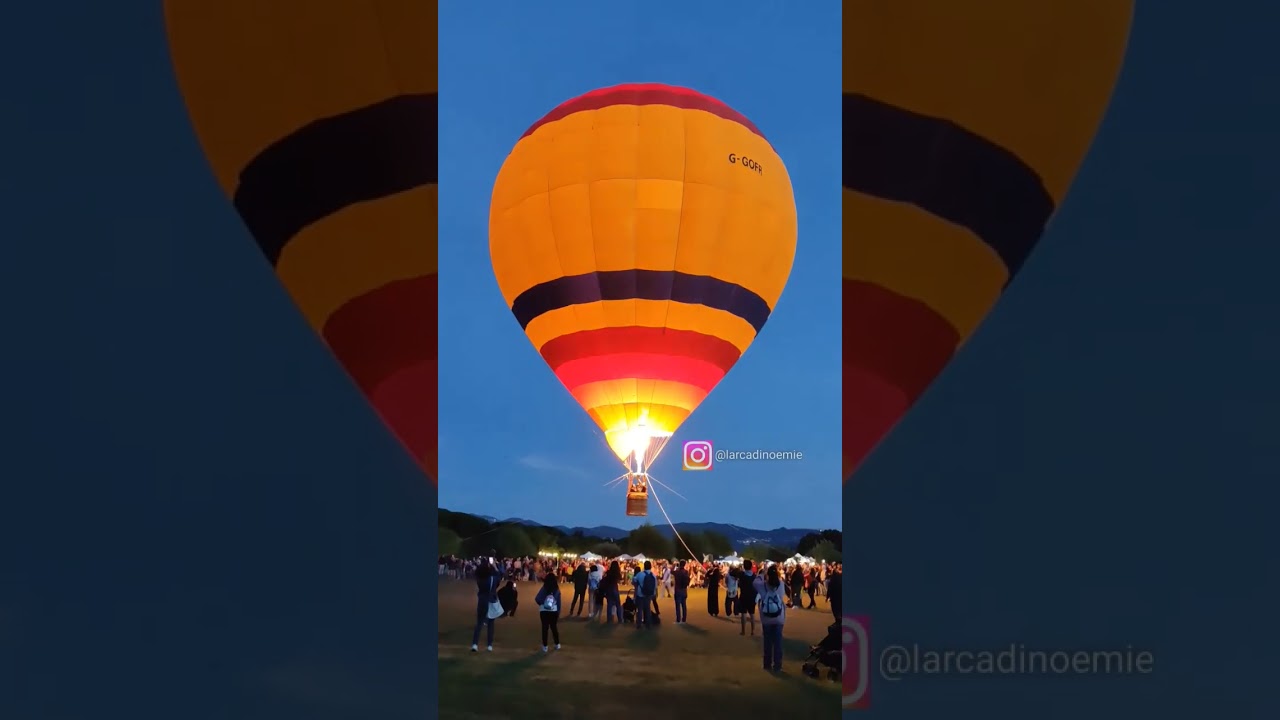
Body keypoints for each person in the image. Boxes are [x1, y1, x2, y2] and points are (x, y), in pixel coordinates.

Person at [754, 565, 788, 672]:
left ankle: (767, 664)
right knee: (778, 642)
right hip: (779, 617)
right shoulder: (781, 584)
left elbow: (754, 582)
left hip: (766, 618)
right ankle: (777, 665)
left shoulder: (762, 586)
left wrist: (762, 574)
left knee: (767, 642)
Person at [470, 558, 500, 652]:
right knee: (490, 624)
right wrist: (495, 567)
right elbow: (499, 576)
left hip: (482, 601)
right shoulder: (493, 579)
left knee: (479, 623)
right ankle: (489, 645)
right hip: (491, 601)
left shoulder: (480, 579)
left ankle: (475, 644)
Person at [534, 572, 563, 652]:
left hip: (544, 611)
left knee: (544, 628)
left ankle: (545, 646)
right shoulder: (556, 590)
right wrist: (558, 612)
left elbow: (537, 599)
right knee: (554, 628)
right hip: (553, 611)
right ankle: (557, 644)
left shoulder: (544, 588)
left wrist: (542, 603)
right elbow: (559, 603)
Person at [731, 560, 758, 637]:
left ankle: (743, 631)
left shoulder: (742, 574)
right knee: (752, 614)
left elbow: (733, 573)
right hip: (752, 596)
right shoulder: (754, 576)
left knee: (743, 613)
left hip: (744, 596)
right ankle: (753, 631)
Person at [633, 560, 657, 628]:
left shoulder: (640, 574)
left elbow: (634, 581)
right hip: (648, 594)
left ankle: (639, 624)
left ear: (644, 566)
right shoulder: (653, 575)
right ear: (650, 567)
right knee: (648, 609)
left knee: (640, 609)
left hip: (640, 594)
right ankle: (648, 623)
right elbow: (655, 586)